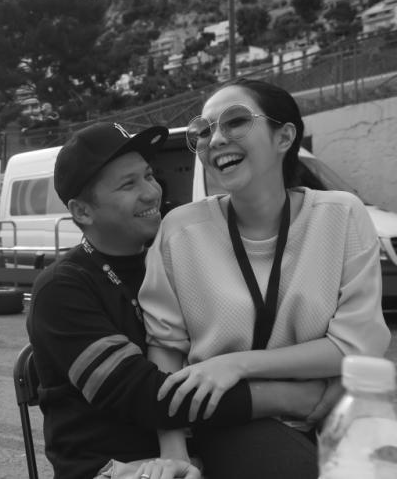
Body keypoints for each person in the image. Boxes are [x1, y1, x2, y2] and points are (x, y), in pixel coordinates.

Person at [26, 121, 336, 479]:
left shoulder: (181, 254)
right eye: (128, 184)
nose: (151, 192)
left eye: (149, 175)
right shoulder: (62, 289)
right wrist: (292, 397)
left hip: (204, 442)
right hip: (115, 465)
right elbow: (146, 397)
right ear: (82, 212)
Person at [140, 78, 391, 478]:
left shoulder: (341, 215)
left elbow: (354, 347)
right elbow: (165, 349)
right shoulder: (180, 229)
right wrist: (174, 449)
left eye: (235, 121)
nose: (215, 139)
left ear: (284, 137)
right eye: (203, 131)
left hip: (334, 411)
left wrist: (236, 364)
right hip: (231, 418)